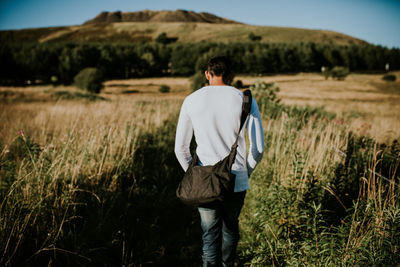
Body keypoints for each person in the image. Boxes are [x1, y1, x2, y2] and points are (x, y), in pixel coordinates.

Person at [174, 56, 264, 266]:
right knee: (231, 228)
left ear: (207, 74)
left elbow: (180, 149)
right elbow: (258, 148)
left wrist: (194, 173)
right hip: (236, 178)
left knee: (209, 237)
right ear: (231, 74)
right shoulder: (245, 99)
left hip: (205, 181)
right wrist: (245, 172)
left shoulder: (191, 100)